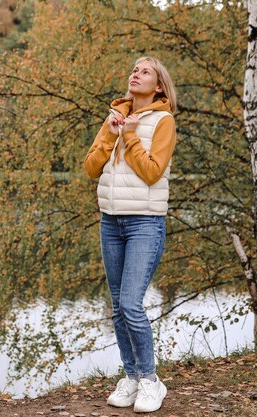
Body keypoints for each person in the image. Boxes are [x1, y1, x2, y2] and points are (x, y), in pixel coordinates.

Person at [83, 56, 177, 413]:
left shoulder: (164, 121)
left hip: (144, 224)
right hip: (111, 222)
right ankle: (132, 377)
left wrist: (133, 137)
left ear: (158, 86)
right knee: (118, 310)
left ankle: (151, 381)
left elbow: (153, 173)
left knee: (130, 305)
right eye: (134, 70)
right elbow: (91, 168)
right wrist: (111, 132)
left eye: (145, 72)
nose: (135, 75)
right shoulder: (114, 118)